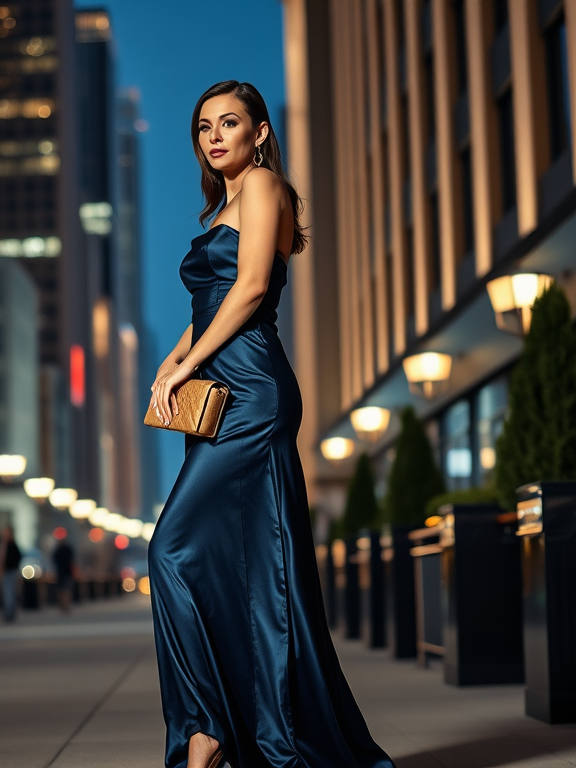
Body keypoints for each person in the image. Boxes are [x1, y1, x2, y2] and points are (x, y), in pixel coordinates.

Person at [147, 81, 395, 768]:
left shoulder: (263, 185)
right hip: (219, 391)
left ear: (259, 131)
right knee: (236, 565)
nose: (215, 135)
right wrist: (173, 363)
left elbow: (252, 289)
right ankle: (222, 723)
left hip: (251, 391)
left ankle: (209, 729)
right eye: (203, 127)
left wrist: (187, 363)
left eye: (230, 122)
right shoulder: (223, 204)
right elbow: (208, 307)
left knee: (171, 549)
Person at [0, 526, 22, 622]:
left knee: (9, 593)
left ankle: (9, 612)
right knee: (8, 592)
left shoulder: (10, 544)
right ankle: (9, 612)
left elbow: (3, 559)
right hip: (8, 571)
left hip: (10, 571)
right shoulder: (7, 544)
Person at [52, 535, 75, 613]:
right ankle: (65, 605)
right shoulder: (67, 549)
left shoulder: (57, 550)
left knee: (62, 589)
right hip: (66, 572)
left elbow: (54, 561)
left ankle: (63, 605)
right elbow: (72, 561)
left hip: (61, 572)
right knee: (65, 589)